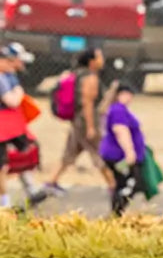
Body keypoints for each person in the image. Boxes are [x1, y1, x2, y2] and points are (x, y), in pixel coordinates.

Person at [45, 46, 115, 195]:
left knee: (70, 152)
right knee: (99, 152)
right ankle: (113, 185)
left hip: (76, 120)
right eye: (99, 57)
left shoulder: (76, 74)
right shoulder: (90, 78)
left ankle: (51, 181)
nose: (102, 60)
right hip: (86, 121)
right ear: (91, 61)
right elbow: (87, 103)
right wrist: (91, 127)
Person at [100, 80, 147, 217]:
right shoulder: (118, 110)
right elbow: (120, 130)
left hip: (119, 154)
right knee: (129, 183)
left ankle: (117, 212)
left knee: (122, 183)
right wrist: (129, 152)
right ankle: (117, 212)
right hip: (118, 155)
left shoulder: (119, 109)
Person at [0, 42, 39, 210]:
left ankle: (31, 190)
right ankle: (4, 204)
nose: (20, 65)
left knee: (26, 152)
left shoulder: (10, 76)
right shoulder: (2, 78)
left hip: (9, 127)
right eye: (16, 60)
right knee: (2, 165)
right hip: (3, 127)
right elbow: (12, 101)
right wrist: (19, 92)